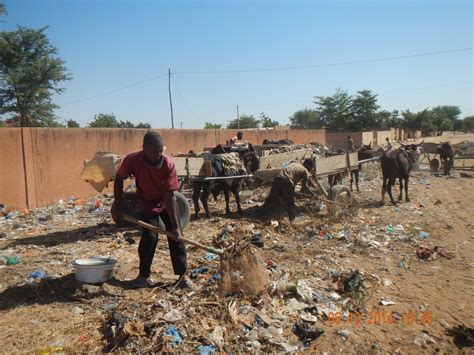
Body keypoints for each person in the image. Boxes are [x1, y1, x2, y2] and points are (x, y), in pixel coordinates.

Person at [111, 131, 191, 289]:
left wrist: (175, 227)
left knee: (177, 237)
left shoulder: (168, 163)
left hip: (165, 201)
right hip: (146, 203)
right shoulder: (133, 160)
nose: (158, 154)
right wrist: (118, 204)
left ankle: (183, 277)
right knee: (149, 238)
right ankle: (143, 276)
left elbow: (169, 197)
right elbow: (119, 179)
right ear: (144, 148)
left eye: (161, 150)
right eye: (154, 151)